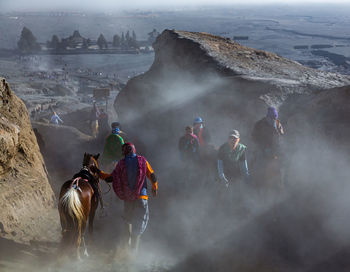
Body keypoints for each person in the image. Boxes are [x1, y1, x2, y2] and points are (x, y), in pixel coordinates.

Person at [91, 143, 158, 255]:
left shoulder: (121, 164)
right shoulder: (143, 160)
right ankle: (134, 251)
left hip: (128, 199)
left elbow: (110, 178)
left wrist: (98, 172)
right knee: (139, 223)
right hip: (142, 197)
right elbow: (152, 175)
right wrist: (155, 187)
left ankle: (125, 248)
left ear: (124, 152)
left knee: (128, 221)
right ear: (134, 150)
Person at [251, 107, 284, 191]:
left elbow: (281, 136)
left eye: (275, 117)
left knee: (278, 169)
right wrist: (263, 147)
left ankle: (279, 188)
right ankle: (258, 187)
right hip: (262, 149)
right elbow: (254, 138)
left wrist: (279, 149)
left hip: (275, 150)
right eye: (272, 117)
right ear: (267, 116)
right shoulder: (259, 124)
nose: (273, 119)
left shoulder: (278, 123)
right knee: (260, 167)